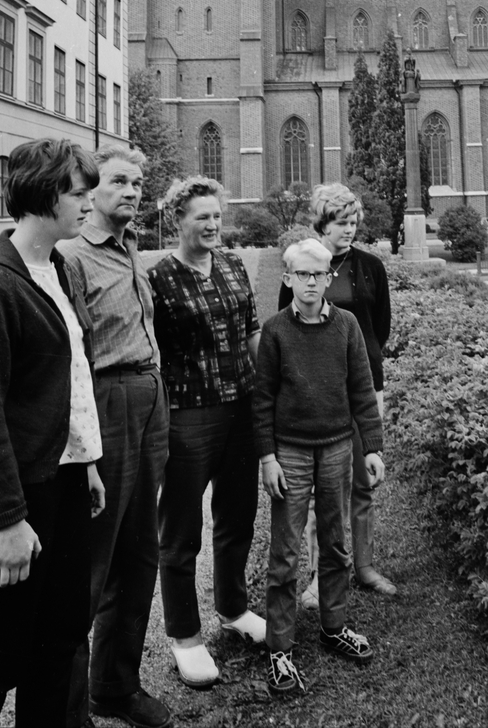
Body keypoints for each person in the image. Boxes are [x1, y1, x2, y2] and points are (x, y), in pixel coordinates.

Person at [0, 138, 105, 726]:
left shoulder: (55, 267)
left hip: (57, 483)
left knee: (56, 646)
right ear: (43, 194)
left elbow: (68, 378)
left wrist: (83, 461)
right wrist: (8, 520)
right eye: (79, 193)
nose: (89, 203)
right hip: (5, 500)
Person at [60, 145, 171, 728]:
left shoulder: (131, 250)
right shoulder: (72, 258)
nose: (132, 192)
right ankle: (69, 706)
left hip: (150, 400)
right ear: (92, 191)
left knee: (139, 552)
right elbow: (69, 359)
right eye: (120, 182)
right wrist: (85, 449)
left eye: (139, 183)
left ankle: (116, 687)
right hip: (107, 402)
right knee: (92, 561)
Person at [149, 176, 266, 690]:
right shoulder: (158, 279)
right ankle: (184, 635)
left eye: (217, 215)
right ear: (179, 221)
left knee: (237, 517)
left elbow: (253, 332)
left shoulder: (236, 266)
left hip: (241, 409)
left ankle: (233, 608)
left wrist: (269, 393)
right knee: (180, 532)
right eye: (202, 217)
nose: (213, 224)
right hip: (189, 415)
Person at [255, 238, 386, 698]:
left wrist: (371, 447)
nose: (311, 282)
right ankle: (280, 648)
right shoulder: (274, 331)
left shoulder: (347, 325)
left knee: (335, 542)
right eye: (302, 274)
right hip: (289, 452)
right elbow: (263, 400)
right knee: (286, 551)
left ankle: (334, 625)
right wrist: (267, 457)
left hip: (335, 449)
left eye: (320, 274)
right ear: (288, 278)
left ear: (329, 277)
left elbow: (362, 391)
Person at [278, 183, 396, 602]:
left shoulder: (370, 266)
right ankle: (319, 574)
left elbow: (379, 327)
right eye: (341, 223)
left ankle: (363, 566)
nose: (349, 230)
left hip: (365, 386)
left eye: (353, 222)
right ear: (322, 224)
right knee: (320, 487)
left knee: (363, 478)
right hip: (319, 389)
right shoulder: (302, 265)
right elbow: (286, 328)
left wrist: (365, 367)